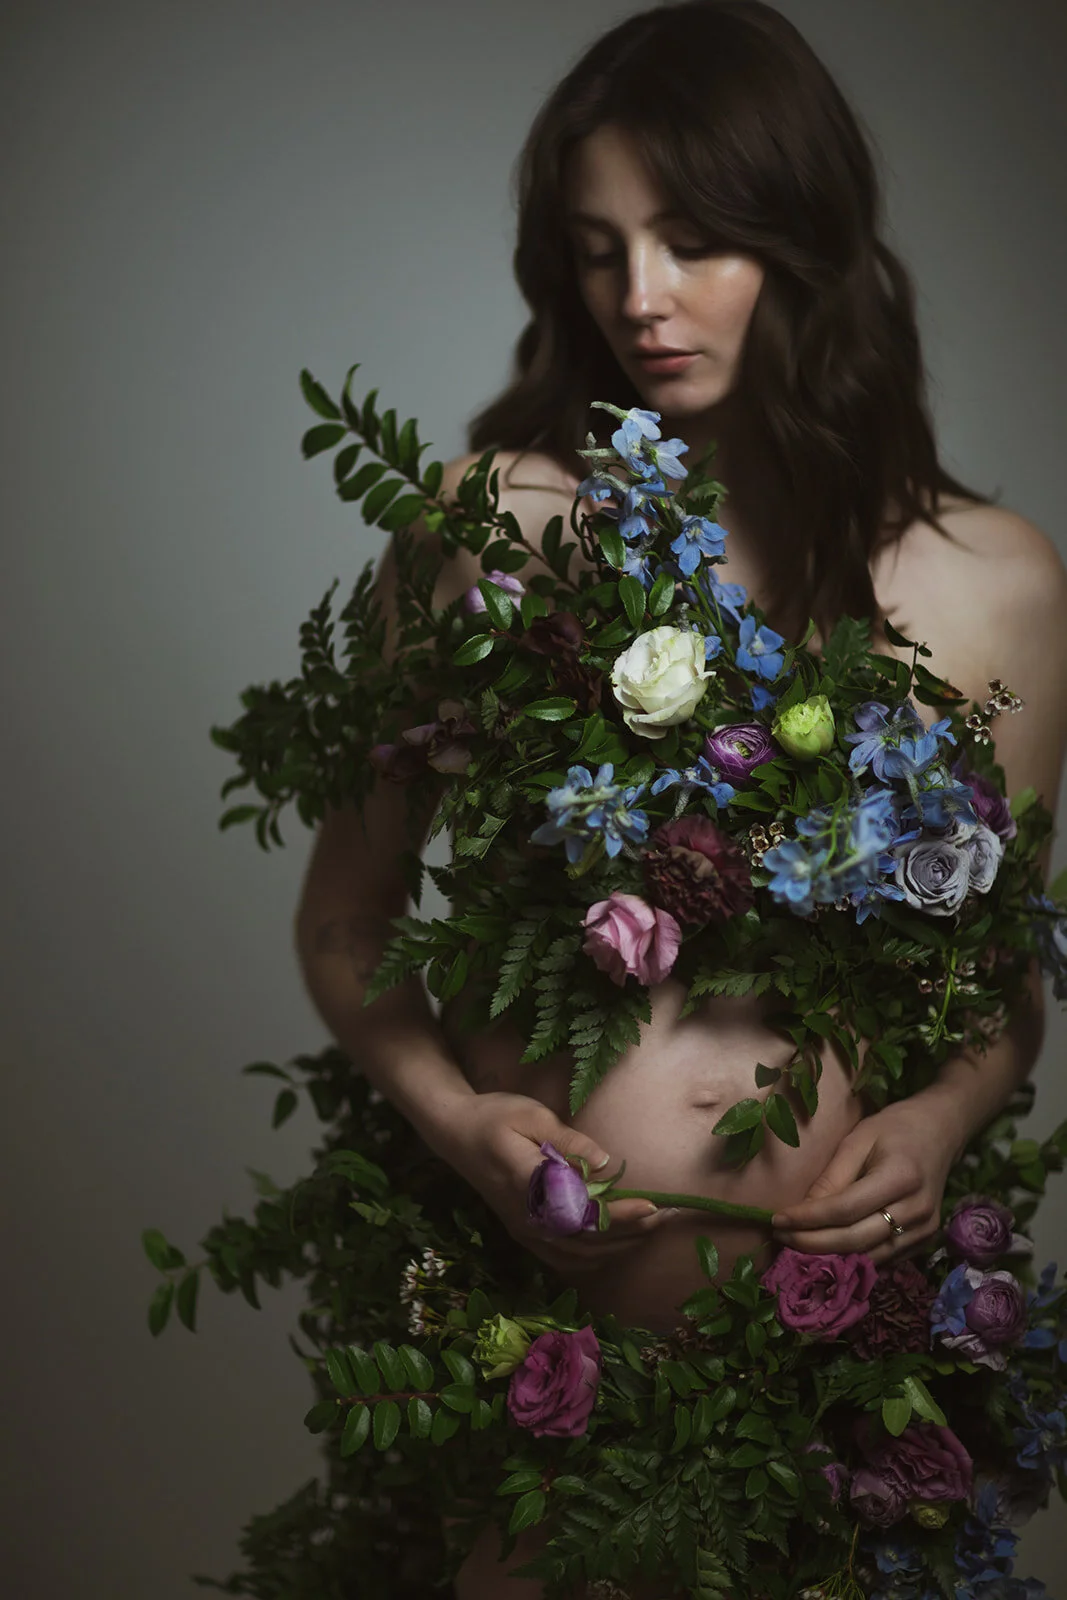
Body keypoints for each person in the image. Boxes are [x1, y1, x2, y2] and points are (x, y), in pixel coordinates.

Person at [293, 3, 1067, 1594]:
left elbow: (991, 987)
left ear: (805, 239)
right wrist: (462, 1127)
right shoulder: (488, 531)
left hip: (840, 1394)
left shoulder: (994, 587)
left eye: (692, 239)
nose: (638, 299)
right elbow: (343, 918)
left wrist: (938, 1117)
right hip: (539, 1362)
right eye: (596, 251)